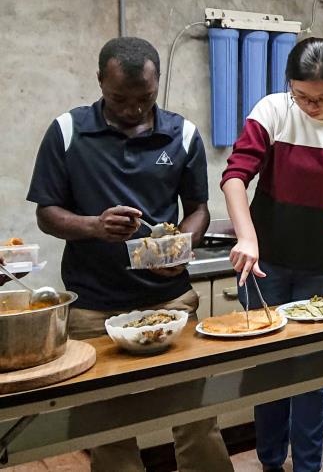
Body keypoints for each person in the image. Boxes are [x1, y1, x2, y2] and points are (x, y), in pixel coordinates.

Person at [27, 36, 232, 472]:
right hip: (93, 308)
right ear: (100, 81)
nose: (134, 109)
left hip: (170, 302)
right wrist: (94, 227)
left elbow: (198, 210)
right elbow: (47, 213)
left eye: (146, 99)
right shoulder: (68, 132)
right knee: (107, 427)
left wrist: (182, 247)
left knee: (194, 413)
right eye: (120, 98)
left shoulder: (183, 135)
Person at [222, 37, 323, 472]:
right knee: (269, 368)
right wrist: (247, 237)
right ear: (289, 87)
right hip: (265, 264)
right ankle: (271, 463)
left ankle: (308, 466)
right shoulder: (273, 111)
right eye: (302, 96)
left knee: (314, 376)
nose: (311, 106)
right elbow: (235, 177)